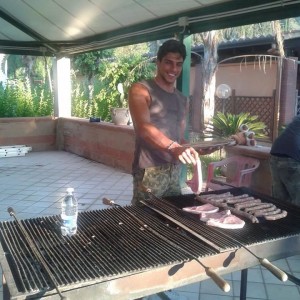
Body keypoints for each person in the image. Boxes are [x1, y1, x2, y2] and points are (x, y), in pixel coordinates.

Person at [128, 39, 213, 205]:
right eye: (168, 63)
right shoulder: (141, 89)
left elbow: (179, 139)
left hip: (174, 169)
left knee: (172, 217)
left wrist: (196, 149)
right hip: (150, 169)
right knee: (146, 220)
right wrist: (174, 148)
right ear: (158, 62)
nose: (174, 69)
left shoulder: (182, 99)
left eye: (178, 64)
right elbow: (143, 129)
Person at [269, 115, 300, 206]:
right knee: (297, 198)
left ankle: (279, 220)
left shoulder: (297, 120)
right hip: (290, 158)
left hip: (275, 154)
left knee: (279, 198)